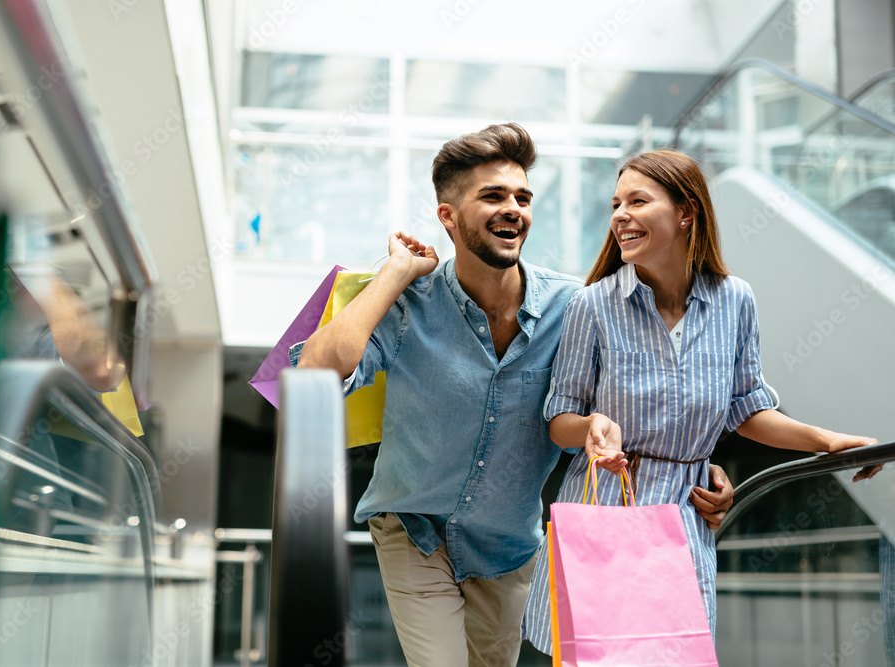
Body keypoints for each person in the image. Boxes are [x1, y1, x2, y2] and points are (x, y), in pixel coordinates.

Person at [292, 125, 733, 667]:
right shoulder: (411, 304)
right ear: (448, 217)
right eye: (493, 196)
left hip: (508, 548)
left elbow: (647, 400)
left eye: (522, 197)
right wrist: (396, 274)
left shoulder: (575, 307)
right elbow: (315, 372)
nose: (513, 209)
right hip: (414, 531)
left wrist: (702, 468)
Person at [521, 148, 879, 655]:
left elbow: (748, 410)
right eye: (616, 204)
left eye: (638, 202)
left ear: (686, 212)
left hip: (685, 522)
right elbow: (559, 419)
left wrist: (826, 441)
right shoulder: (593, 305)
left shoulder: (736, 301)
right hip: (604, 513)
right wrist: (593, 427)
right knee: (600, 656)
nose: (620, 215)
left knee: (674, 653)